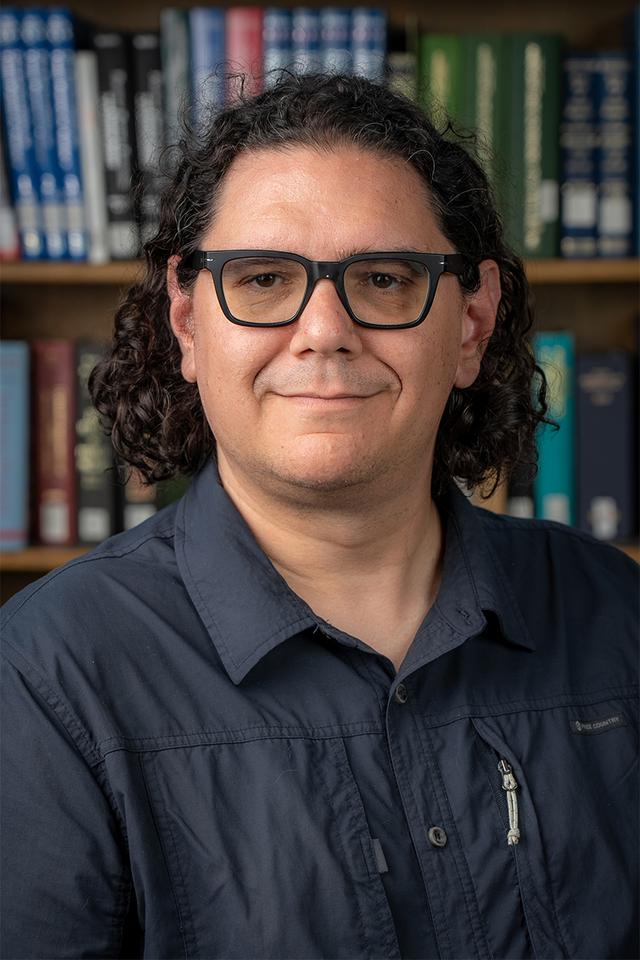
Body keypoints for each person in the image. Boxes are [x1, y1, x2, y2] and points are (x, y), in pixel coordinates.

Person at [1, 71, 637, 960]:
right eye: (263, 279)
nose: (324, 329)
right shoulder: (45, 680)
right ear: (188, 320)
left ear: (472, 323)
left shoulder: (618, 615)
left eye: (384, 277)